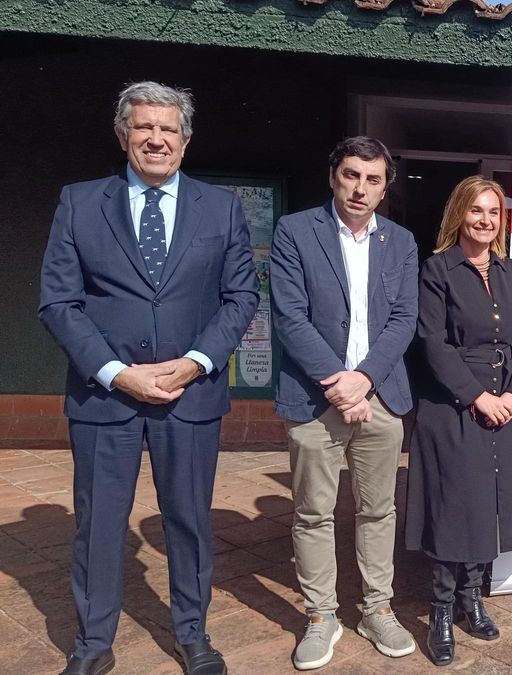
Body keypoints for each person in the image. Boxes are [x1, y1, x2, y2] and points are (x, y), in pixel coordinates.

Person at [38, 82, 258, 675]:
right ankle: (92, 644)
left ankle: (192, 634)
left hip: (190, 395)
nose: (156, 139)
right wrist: (115, 373)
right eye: (143, 127)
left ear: (185, 141)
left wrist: (196, 361)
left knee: (188, 520)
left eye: (168, 129)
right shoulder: (80, 202)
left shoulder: (221, 208)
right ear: (123, 135)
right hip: (104, 396)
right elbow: (59, 302)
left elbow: (240, 296)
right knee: (99, 525)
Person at [270, 137, 419, 670]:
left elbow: (404, 319)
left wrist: (365, 380)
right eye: (352, 175)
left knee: (379, 509)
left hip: (380, 395)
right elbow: (289, 315)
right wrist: (340, 382)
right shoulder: (294, 231)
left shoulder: (400, 242)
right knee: (313, 513)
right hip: (316, 396)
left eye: (373, 179)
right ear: (334, 175)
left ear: (385, 186)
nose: (361, 188)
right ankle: (320, 615)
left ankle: (377, 608)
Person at [405, 176, 512, 666]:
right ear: (460, 213)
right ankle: (440, 609)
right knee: (454, 506)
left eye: (494, 211)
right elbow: (432, 342)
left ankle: (473, 600)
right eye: (476, 209)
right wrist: (476, 395)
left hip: (509, 405)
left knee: (491, 502)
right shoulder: (436, 270)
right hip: (453, 406)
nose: (485, 219)